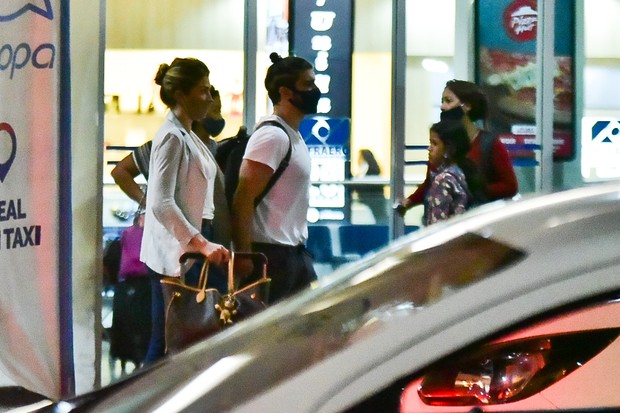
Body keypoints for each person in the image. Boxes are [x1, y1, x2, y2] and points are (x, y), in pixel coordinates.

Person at [140, 57, 230, 363]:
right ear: (182, 94)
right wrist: (200, 243)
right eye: (203, 91)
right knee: (168, 342)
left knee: (179, 338)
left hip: (191, 247)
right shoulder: (172, 137)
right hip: (181, 252)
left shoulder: (187, 135)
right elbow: (160, 202)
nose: (209, 97)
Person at [231, 52, 320, 304]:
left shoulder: (293, 136)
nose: (315, 90)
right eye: (308, 84)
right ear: (285, 92)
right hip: (271, 257)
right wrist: (244, 255)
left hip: (293, 254)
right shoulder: (273, 136)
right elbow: (243, 196)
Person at [396, 79, 518, 215]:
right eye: (442, 101)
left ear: (467, 106)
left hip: (476, 218)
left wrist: (471, 189)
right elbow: (431, 181)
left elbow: (510, 186)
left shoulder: (489, 143)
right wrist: (410, 201)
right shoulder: (442, 140)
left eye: (448, 101)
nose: (443, 107)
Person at [110, 85, 226, 207]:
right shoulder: (169, 142)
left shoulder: (215, 148)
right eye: (216, 111)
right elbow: (120, 172)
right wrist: (146, 203)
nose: (219, 117)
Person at [109, 211, 151, 373]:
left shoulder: (126, 235)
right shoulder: (148, 234)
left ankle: (124, 358)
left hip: (126, 286)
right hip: (145, 283)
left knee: (125, 324)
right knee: (143, 323)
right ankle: (141, 358)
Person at [423, 120, 485, 225]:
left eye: (434, 143)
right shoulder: (464, 171)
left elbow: (436, 227)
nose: (429, 148)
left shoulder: (443, 180)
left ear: (449, 149)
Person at [351, 149, 388, 224]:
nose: (358, 160)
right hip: (370, 202)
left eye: (359, 157)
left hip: (373, 201)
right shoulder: (363, 172)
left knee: (379, 219)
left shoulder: (370, 172)